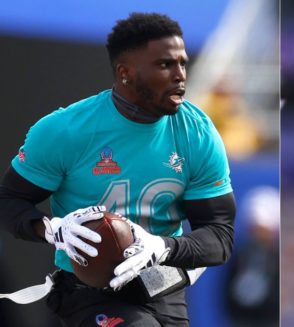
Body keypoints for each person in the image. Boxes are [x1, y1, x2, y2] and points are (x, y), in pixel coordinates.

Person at [0, 12, 236, 326]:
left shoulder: (198, 133)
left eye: (182, 62)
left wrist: (162, 246)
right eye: (165, 65)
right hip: (87, 287)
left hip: (160, 283)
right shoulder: (65, 130)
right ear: (125, 73)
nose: (180, 75)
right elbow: (8, 200)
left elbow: (220, 235)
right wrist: (52, 229)